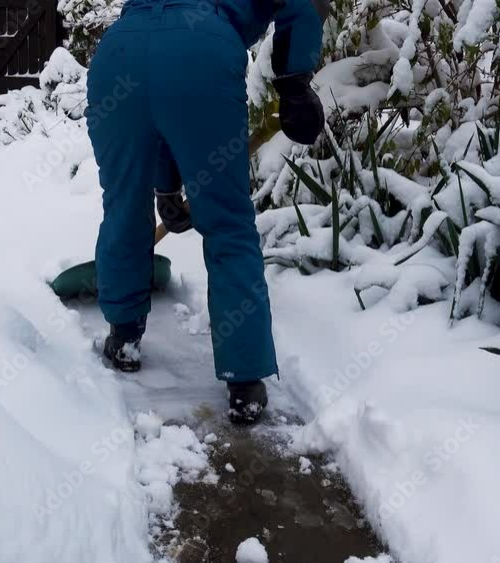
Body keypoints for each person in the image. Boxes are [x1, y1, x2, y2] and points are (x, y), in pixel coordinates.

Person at [85, 0, 327, 423]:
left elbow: (155, 64)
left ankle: (123, 334)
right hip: (203, 52)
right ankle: (245, 379)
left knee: (123, 204)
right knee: (228, 222)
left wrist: (164, 184)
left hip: (119, 52)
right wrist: (294, 85)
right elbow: (304, 4)